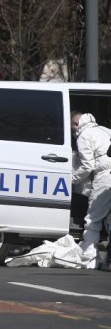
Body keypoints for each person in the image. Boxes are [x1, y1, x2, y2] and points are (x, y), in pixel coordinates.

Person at [70, 110, 111, 270]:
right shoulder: (106, 130)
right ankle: (109, 261)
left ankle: (89, 259)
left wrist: (71, 180)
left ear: (75, 124)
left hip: (105, 176)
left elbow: (88, 166)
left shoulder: (84, 136)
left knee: (93, 219)